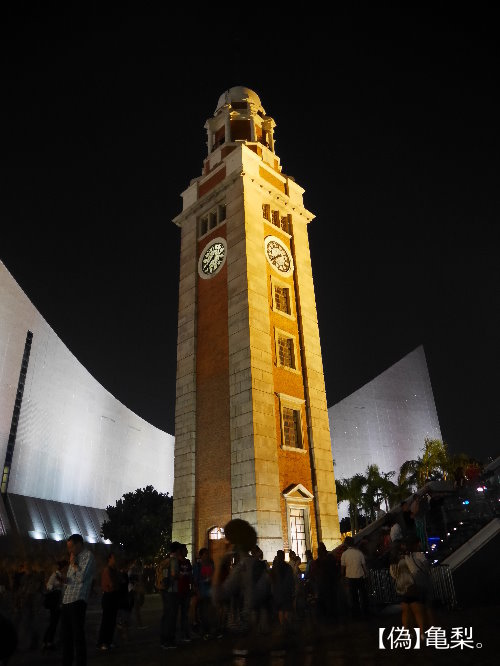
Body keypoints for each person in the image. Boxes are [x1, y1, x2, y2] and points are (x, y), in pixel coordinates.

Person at [61, 533, 96, 666]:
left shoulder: (88, 556)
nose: (70, 551)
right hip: (67, 600)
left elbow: (82, 578)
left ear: (79, 544)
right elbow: (72, 579)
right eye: (68, 548)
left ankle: (81, 662)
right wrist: (64, 580)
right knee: (66, 637)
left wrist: (74, 564)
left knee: (78, 636)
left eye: (71, 547)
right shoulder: (73, 558)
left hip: (78, 600)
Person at [389, 535, 432, 641]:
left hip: (400, 587)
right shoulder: (409, 558)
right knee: (418, 611)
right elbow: (414, 571)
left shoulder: (393, 562)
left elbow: (393, 575)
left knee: (406, 611)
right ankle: (422, 633)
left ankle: (407, 633)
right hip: (411, 586)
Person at [160, 541, 182, 649]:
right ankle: (169, 641)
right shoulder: (174, 561)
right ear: (177, 550)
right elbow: (174, 575)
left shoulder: (166, 560)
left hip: (164, 590)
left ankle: (163, 640)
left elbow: (165, 575)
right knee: (172, 616)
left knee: (166, 615)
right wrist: (179, 576)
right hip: (172, 591)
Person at [97, 552, 121, 650]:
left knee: (112, 621)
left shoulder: (114, 570)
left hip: (113, 596)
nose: (116, 560)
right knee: (106, 621)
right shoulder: (107, 570)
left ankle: (109, 641)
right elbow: (111, 585)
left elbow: (117, 582)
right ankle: (102, 642)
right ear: (109, 559)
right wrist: (116, 584)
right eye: (114, 558)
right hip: (108, 596)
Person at [340, 537, 369, 618]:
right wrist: (366, 575)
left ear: (346, 544)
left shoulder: (344, 554)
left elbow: (342, 568)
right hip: (360, 576)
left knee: (353, 596)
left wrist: (342, 577)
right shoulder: (359, 553)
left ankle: (356, 614)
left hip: (350, 577)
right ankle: (365, 613)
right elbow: (364, 566)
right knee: (363, 595)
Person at [43, 559, 67, 650]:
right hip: (54, 602)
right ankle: (48, 641)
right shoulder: (55, 575)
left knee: (55, 622)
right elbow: (48, 586)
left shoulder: (62, 576)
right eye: (66, 567)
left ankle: (49, 641)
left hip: (60, 602)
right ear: (63, 567)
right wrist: (56, 586)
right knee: (53, 622)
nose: (67, 569)